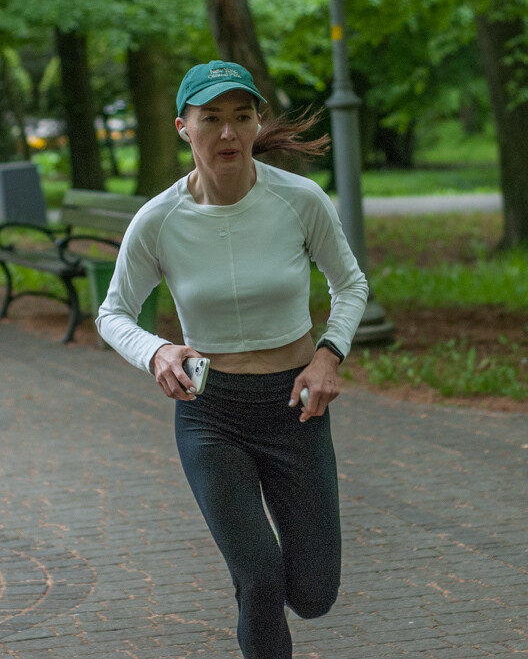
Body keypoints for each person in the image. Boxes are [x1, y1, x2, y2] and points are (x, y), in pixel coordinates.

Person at [95, 60, 369, 659]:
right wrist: (158, 350)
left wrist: (328, 357)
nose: (227, 133)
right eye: (211, 119)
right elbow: (112, 313)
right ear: (182, 128)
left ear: (255, 123)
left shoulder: (298, 200)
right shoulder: (159, 220)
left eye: (240, 117)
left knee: (315, 593)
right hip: (210, 414)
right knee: (261, 580)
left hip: (294, 407)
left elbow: (350, 285)